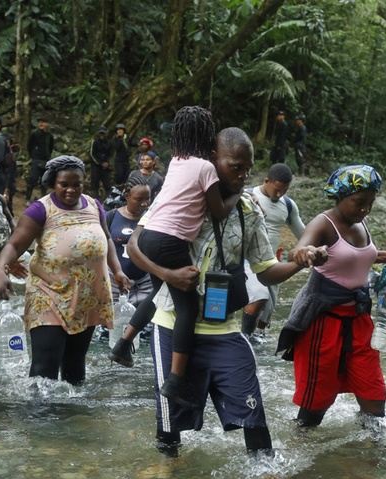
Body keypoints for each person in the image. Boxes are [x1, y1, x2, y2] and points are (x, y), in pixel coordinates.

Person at [126, 126, 321, 455]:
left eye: (249, 168)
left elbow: (267, 272)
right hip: (172, 327)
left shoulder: (248, 211)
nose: (244, 175)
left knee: (254, 418)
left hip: (224, 329)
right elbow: (134, 245)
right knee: (170, 430)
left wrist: (301, 262)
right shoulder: (177, 195)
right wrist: (168, 275)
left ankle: (264, 472)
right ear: (213, 160)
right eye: (236, 166)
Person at [107, 107, 242, 409]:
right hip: (170, 241)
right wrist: (238, 192)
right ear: (207, 136)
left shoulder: (177, 161)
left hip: (151, 235)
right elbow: (219, 212)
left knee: (158, 292)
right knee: (188, 309)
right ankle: (175, 380)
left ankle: (123, 344)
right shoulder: (205, 167)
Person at [276, 165, 386, 428]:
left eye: (370, 203)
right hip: (323, 322)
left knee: (373, 394)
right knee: (316, 403)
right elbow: (297, 250)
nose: (365, 209)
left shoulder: (360, 222)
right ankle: (302, 452)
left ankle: (372, 458)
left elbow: (354, 257)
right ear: (340, 196)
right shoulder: (324, 223)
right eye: (359, 202)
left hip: (359, 321)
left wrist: (383, 255)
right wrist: (305, 253)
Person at [0, 156, 131, 384]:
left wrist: (118, 271)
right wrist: (0, 270)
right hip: (49, 295)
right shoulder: (41, 209)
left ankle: (70, 417)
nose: (71, 190)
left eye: (77, 184)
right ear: (53, 184)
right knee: (45, 366)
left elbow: (106, 239)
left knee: (75, 367)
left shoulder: (94, 206)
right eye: (64, 184)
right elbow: (15, 244)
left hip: (87, 297)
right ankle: (38, 416)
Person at [241, 163, 305, 340]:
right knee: (259, 297)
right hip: (247, 261)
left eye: (284, 191)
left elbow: (304, 234)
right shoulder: (246, 195)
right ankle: (244, 339)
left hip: (272, 263)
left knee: (267, 308)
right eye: (276, 190)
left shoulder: (288, 205)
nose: (279, 195)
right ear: (267, 181)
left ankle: (258, 338)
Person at [106, 176, 153, 305]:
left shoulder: (154, 218)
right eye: (139, 199)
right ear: (127, 196)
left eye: (147, 198)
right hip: (117, 284)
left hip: (147, 283)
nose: (144, 203)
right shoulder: (111, 217)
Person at [25, 116, 55, 204]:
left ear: (47, 124)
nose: (41, 124)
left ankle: (43, 199)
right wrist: (34, 155)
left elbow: (50, 148)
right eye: (40, 122)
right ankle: (27, 198)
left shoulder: (50, 136)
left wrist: (47, 156)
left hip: (45, 161)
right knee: (32, 179)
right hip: (36, 160)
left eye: (43, 122)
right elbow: (29, 146)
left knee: (44, 181)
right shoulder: (34, 134)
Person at [88, 125, 113, 197]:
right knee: (95, 185)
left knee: (107, 184)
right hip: (96, 166)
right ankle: (95, 201)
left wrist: (107, 163)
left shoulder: (109, 143)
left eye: (103, 133)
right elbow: (92, 154)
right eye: (100, 133)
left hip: (105, 167)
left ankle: (110, 201)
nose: (102, 135)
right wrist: (100, 163)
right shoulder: (94, 142)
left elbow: (111, 154)